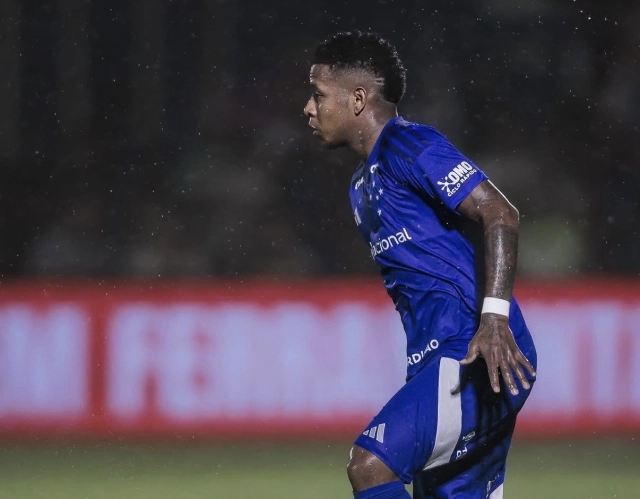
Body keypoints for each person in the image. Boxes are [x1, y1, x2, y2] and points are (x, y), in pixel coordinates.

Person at [303, 31, 537, 499]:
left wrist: (494, 319)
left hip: (475, 352)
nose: (308, 108)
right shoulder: (361, 186)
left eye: (319, 94)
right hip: (437, 360)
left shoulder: (408, 143)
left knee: (370, 466)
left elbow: (499, 212)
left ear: (357, 99)